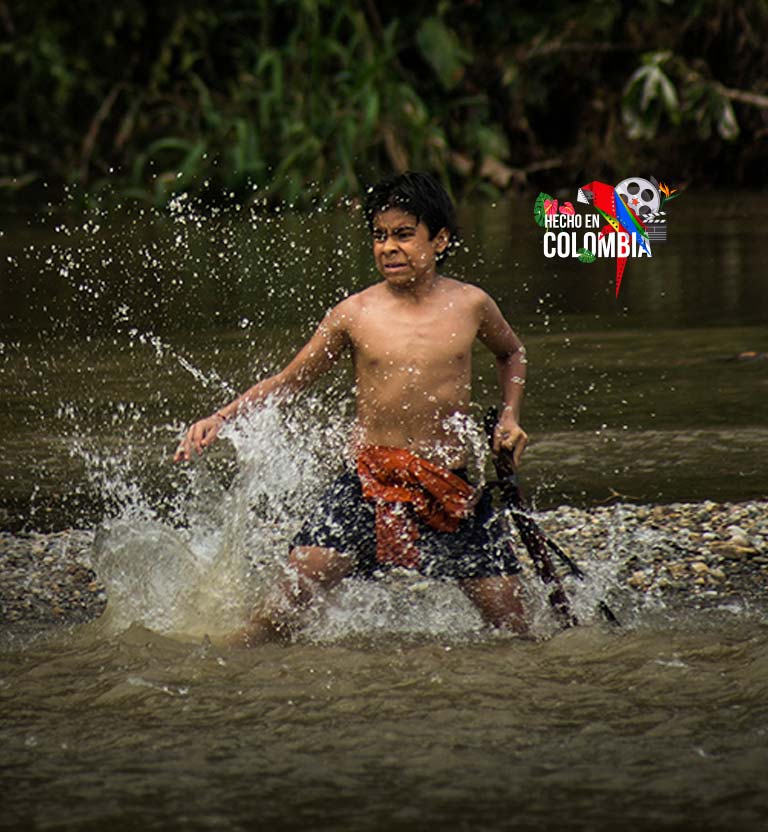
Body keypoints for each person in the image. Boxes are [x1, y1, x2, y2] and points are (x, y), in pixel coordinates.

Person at [174, 171, 529, 643]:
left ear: (439, 239)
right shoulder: (354, 314)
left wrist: (510, 415)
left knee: (516, 629)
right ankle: (223, 666)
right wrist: (221, 418)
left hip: (450, 487)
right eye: (380, 236)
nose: (389, 248)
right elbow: (288, 381)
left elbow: (512, 353)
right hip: (371, 486)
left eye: (404, 235)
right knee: (275, 617)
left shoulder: (471, 305)